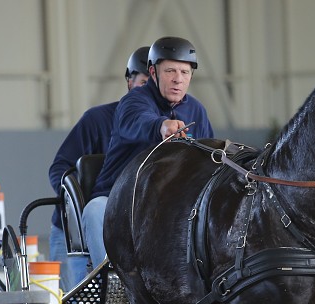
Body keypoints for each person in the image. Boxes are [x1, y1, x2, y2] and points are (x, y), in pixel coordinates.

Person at [82, 36, 215, 270]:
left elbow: (209, 156)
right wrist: (161, 126)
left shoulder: (196, 110)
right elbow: (137, 120)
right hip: (120, 201)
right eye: (170, 71)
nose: (178, 79)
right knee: (94, 210)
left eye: (185, 72)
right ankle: (109, 279)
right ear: (153, 73)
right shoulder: (133, 102)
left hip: (169, 205)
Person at [47, 46, 150, 290]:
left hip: (129, 231)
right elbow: (59, 169)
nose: (148, 92)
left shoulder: (162, 127)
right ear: (129, 82)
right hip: (75, 235)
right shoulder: (97, 120)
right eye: (144, 83)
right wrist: (81, 209)